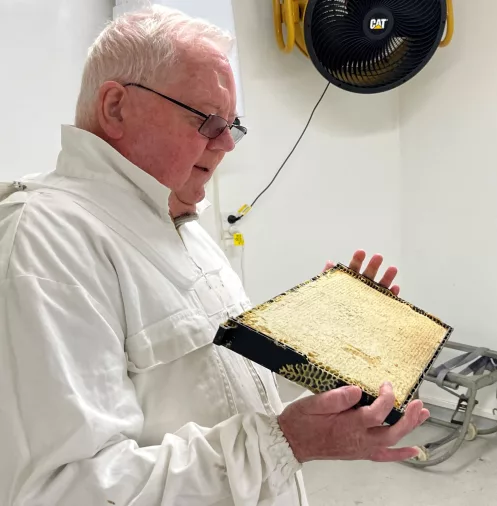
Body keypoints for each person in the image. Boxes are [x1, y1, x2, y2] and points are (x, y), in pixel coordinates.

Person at [0, 6, 428, 505]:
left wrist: (329, 350)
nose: (226, 144)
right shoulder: (48, 240)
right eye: (206, 120)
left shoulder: (179, 224)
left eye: (232, 124)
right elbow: (65, 489)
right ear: (116, 107)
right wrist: (286, 443)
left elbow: (225, 393)